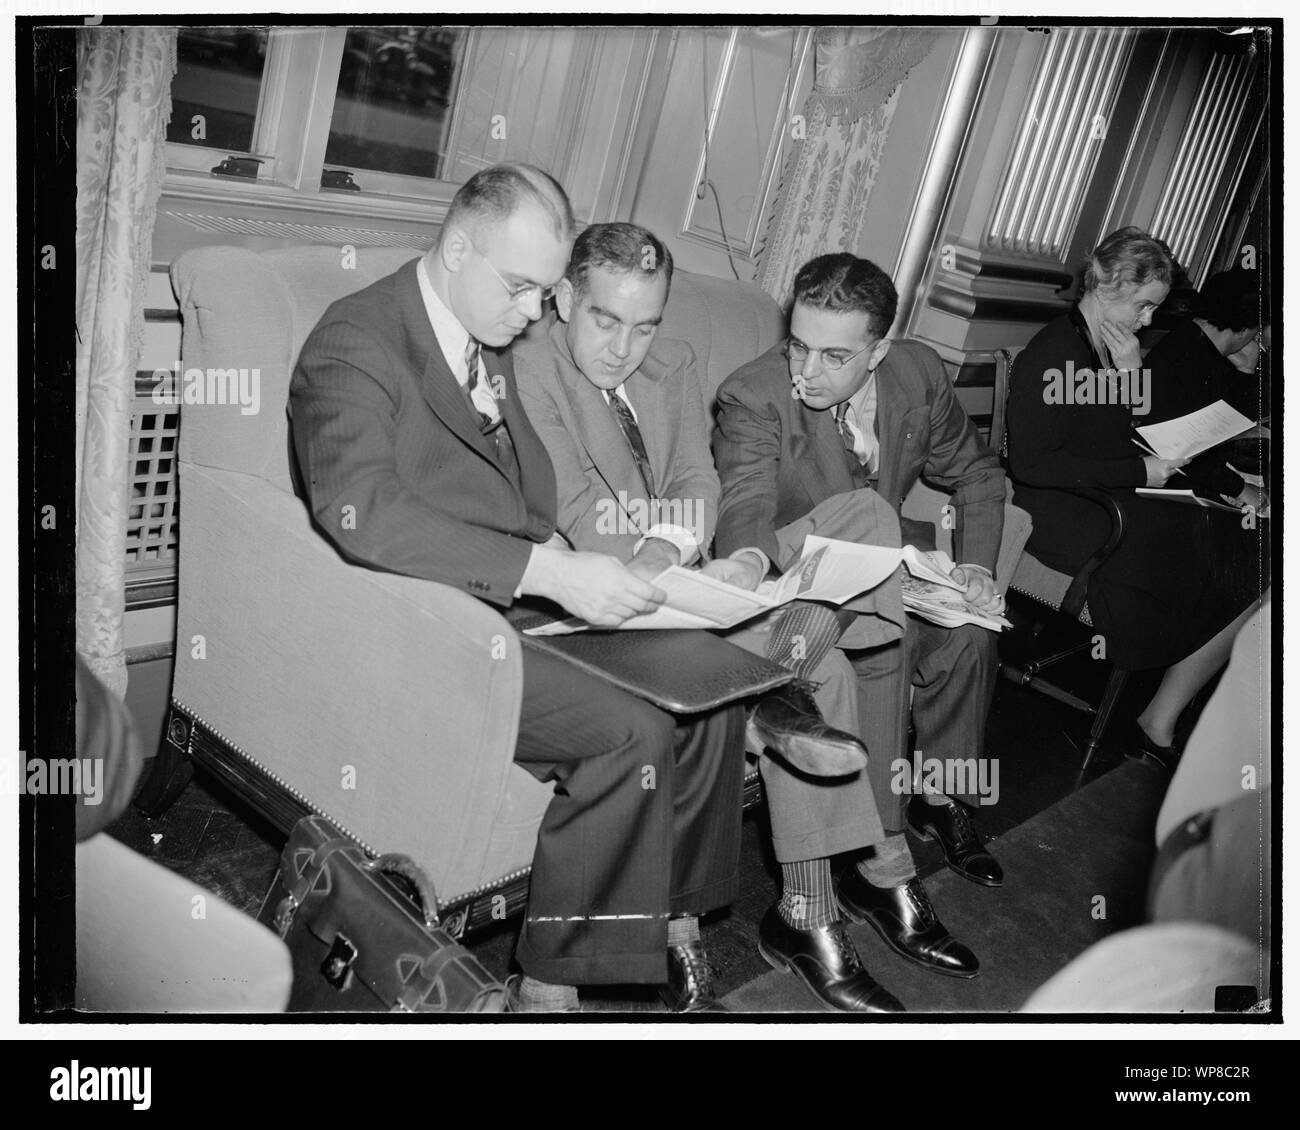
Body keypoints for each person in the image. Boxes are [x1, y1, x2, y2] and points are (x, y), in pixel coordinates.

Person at [289, 164, 745, 1014]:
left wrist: (602, 571)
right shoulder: (358, 339)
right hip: (436, 619)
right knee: (629, 734)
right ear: (457, 247)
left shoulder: (487, 339)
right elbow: (361, 511)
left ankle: (667, 917)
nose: (537, 313)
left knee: (707, 683)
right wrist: (554, 571)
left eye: (544, 292)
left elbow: (537, 495)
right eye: (524, 287)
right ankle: (550, 986)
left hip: (520, 603)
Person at [515, 223, 914, 1012]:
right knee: (828, 664)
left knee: (868, 515)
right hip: (617, 602)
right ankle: (807, 907)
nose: (625, 347)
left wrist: (741, 562)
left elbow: (700, 479)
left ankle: (772, 683)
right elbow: (587, 514)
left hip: (691, 581)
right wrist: (677, 554)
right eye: (605, 320)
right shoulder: (528, 371)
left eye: (646, 324)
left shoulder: (670, 361)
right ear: (564, 299)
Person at [712, 253, 1009, 993]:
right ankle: (884, 864)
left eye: (835, 355)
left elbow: (978, 474)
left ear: (878, 351)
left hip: (881, 565)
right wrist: (745, 563)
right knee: (884, 641)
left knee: (969, 630)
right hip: (793, 576)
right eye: (798, 346)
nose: (807, 370)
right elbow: (745, 507)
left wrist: (973, 565)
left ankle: (941, 796)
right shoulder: (753, 395)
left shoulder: (917, 375)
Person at [1006, 228, 1262, 767]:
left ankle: (1159, 709)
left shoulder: (1106, 347)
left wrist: (1131, 378)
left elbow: (1114, 431)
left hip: (1108, 497)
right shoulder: (1055, 351)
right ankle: (1155, 708)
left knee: (1225, 549)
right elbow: (1034, 464)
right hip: (1063, 515)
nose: (1148, 322)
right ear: (1108, 284)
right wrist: (1139, 467)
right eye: (1144, 306)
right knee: (1205, 558)